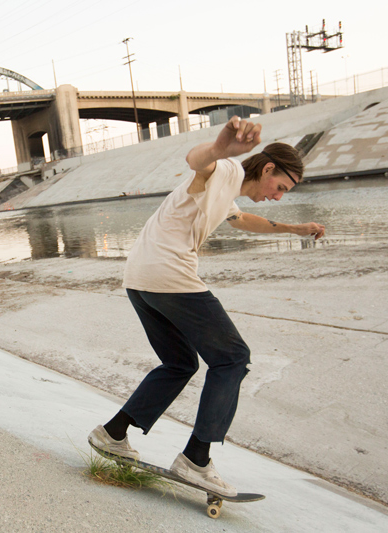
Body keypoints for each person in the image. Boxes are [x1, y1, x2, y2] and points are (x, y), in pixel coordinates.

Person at [88, 115, 325, 496]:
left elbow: (242, 219)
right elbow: (199, 162)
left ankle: (113, 433)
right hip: (169, 274)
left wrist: (298, 229)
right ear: (266, 168)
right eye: (279, 186)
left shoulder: (226, 191)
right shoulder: (227, 170)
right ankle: (196, 460)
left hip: (139, 277)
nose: (278, 196)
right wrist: (220, 148)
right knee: (232, 358)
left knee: (180, 363)